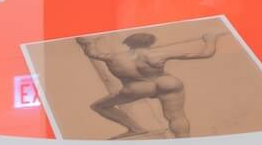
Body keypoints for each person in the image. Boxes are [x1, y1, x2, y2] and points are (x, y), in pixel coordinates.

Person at [75, 30, 222, 138]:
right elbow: (206, 54)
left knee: (99, 106)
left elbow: (92, 54)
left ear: (128, 44)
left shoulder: (113, 58)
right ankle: (184, 143)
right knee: (176, 116)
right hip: (167, 84)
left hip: (137, 88)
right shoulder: (159, 54)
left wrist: (88, 43)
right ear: (152, 43)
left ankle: (135, 128)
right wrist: (210, 39)